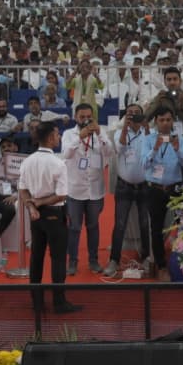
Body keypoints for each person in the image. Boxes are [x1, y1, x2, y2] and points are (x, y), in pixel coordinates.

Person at [19, 122, 82, 313]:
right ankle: (59, 301)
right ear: (49, 138)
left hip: (36, 216)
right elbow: (62, 195)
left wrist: (32, 206)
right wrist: (38, 203)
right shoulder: (57, 163)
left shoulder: (27, 161)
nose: (59, 137)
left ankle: (36, 301)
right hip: (53, 213)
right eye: (57, 134)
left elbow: (22, 190)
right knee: (58, 258)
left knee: (36, 257)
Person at [140, 105, 183, 279]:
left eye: (169, 120)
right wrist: (154, 149)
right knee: (156, 229)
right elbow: (144, 164)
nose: (166, 123)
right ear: (155, 122)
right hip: (155, 189)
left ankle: (182, 261)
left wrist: (177, 149)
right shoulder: (147, 139)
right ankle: (161, 266)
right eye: (162, 120)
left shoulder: (179, 138)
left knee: (182, 225)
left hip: (174, 188)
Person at [61, 104, 111, 275]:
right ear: (76, 117)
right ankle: (72, 262)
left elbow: (110, 152)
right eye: (82, 117)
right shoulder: (68, 134)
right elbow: (65, 155)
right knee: (74, 227)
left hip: (95, 190)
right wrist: (79, 138)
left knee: (93, 226)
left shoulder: (100, 132)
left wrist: (99, 134)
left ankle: (94, 261)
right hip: (75, 190)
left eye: (89, 116)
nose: (85, 120)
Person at [106, 105, 152, 279]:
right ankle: (114, 260)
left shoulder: (148, 132)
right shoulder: (119, 132)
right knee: (119, 224)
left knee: (144, 224)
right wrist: (125, 127)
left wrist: (146, 127)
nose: (133, 116)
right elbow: (120, 148)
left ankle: (147, 257)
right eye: (130, 113)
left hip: (144, 185)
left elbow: (151, 149)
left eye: (137, 113)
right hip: (124, 185)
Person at [146, 67, 183, 168]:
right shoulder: (161, 98)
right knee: (175, 176)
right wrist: (157, 102)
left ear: (180, 81)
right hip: (171, 143)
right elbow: (146, 118)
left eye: (175, 79)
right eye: (169, 79)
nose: (172, 82)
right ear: (165, 82)